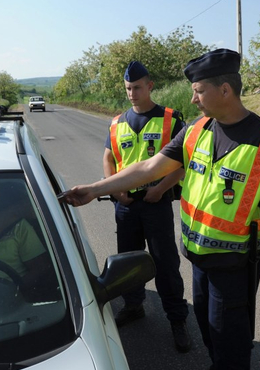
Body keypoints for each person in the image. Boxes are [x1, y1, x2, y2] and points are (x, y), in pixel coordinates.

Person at [62, 49, 260, 370]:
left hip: (236, 265)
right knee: (207, 329)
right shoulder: (195, 131)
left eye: (199, 92)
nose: (194, 100)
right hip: (199, 259)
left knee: (231, 342)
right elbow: (149, 167)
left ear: (225, 90)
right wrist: (94, 189)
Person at [103, 61, 191, 352]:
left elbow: (184, 163)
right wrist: (115, 189)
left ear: (150, 86)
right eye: (128, 88)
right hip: (127, 205)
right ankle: (133, 305)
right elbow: (109, 157)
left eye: (137, 87)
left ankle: (177, 319)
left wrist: (161, 188)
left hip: (157, 203)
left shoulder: (170, 119)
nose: (132, 93)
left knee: (165, 263)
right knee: (128, 262)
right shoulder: (117, 123)